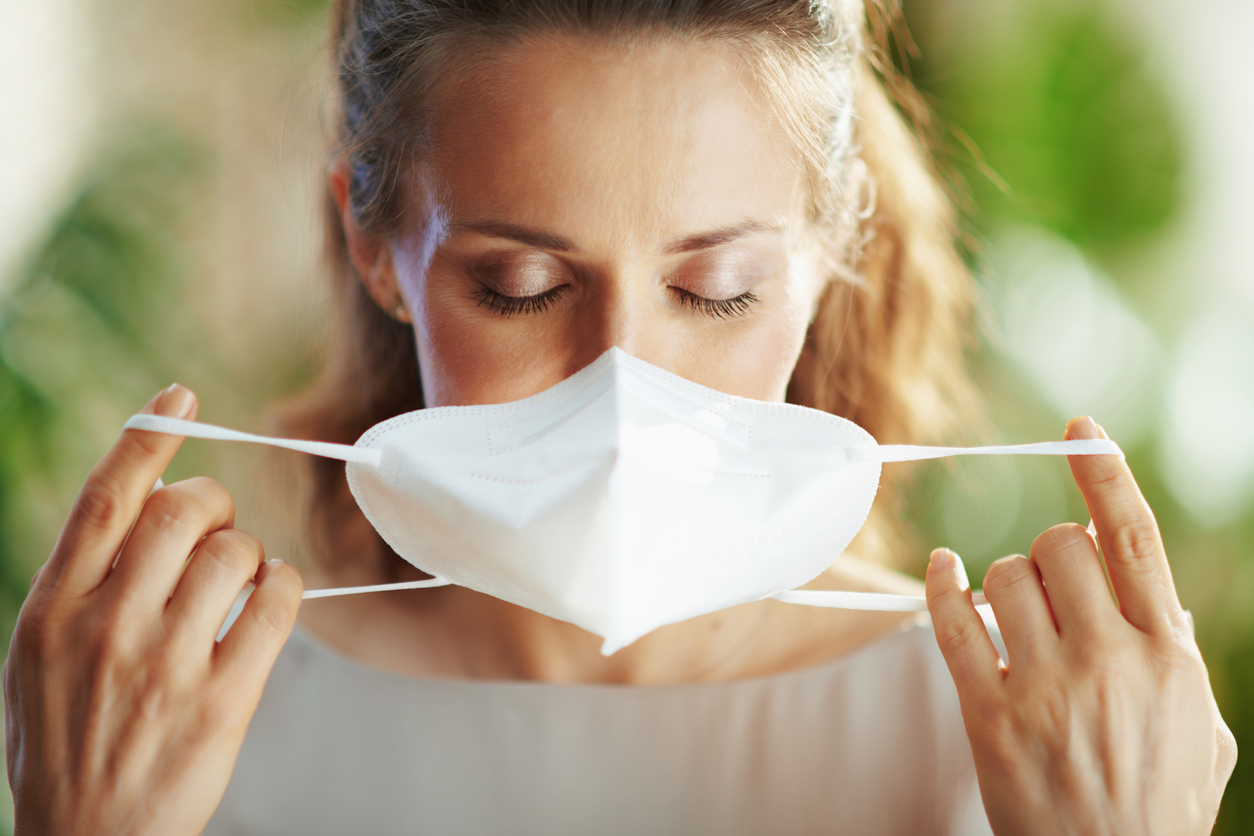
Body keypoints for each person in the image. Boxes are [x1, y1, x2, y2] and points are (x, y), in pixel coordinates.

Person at [3, 0, 1236, 833]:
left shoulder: (1035, 749)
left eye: (715, 291)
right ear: (371, 243)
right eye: (520, 288)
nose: (625, 388)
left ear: (831, 244)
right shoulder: (172, 738)